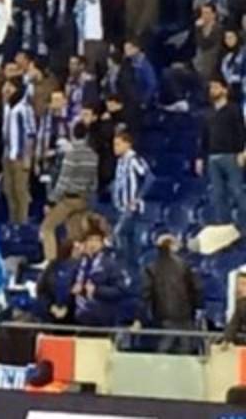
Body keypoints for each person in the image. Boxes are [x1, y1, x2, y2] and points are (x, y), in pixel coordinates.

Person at [41, 122, 98, 261]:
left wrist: (52, 200)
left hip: (69, 200)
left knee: (47, 227)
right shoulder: (93, 155)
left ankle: (51, 263)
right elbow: (94, 183)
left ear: (73, 134)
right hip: (84, 199)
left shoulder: (72, 155)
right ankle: (77, 263)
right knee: (76, 234)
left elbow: (64, 180)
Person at [139, 234, 201, 354]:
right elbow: (196, 289)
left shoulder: (151, 268)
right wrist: (196, 307)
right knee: (185, 346)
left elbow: (146, 294)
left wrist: (142, 315)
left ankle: (159, 363)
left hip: (163, 314)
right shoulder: (184, 266)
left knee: (166, 343)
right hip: (185, 313)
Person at [199, 75, 246, 226]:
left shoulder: (234, 109)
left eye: (216, 87)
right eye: (211, 87)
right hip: (213, 157)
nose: (212, 90)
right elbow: (204, 136)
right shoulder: (208, 113)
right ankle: (225, 226)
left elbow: (241, 132)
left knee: (237, 191)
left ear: (225, 90)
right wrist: (200, 157)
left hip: (231, 155)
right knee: (218, 194)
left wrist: (242, 152)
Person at [112, 129, 152, 270]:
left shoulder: (134, 159)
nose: (115, 148)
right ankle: (130, 269)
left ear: (127, 144)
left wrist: (137, 198)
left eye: (118, 144)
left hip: (131, 209)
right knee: (128, 240)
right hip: (120, 207)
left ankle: (127, 267)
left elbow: (149, 178)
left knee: (119, 234)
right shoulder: (120, 161)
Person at [73, 228, 128, 328]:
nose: (93, 244)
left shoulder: (110, 264)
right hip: (77, 318)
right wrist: (71, 289)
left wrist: (97, 290)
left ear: (102, 244)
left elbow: (120, 290)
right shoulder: (78, 263)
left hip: (101, 320)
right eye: (90, 240)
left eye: (97, 240)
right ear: (85, 243)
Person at [1, 79, 36, 225]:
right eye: (6, 86)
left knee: (20, 190)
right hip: (7, 154)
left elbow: (30, 134)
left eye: (10, 87)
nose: (6, 90)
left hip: (20, 156)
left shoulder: (24, 108)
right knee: (8, 189)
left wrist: (28, 157)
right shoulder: (7, 107)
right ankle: (13, 220)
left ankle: (23, 222)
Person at [37, 238, 80, 325]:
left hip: (75, 314)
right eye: (76, 249)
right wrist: (51, 307)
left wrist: (67, 307)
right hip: (52, 313)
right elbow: (42, 290)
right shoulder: (53, 266)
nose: (79, 251)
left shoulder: (84, 267)